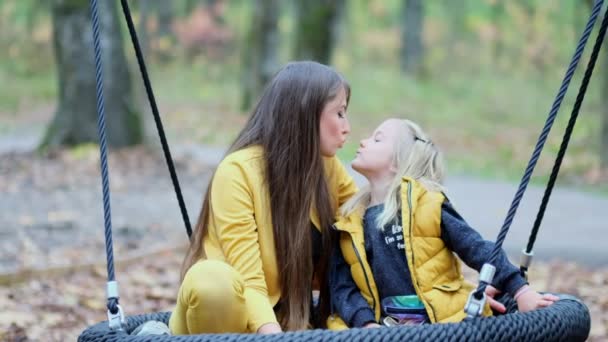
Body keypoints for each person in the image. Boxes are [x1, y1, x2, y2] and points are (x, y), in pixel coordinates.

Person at [169, 61, 358, 335]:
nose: (347, 127)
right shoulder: (237, 171)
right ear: (306, 114)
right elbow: (248, 278)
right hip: (229, 321)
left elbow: (364, 235)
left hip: (289, 323)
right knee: (212, 282)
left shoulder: (328, 169)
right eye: (339, 113)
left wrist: (383, 177)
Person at [327, 118, 559, 329]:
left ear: (398, 162)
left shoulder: (428, 205)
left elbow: (476, 248)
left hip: (440, 325)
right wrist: (366, 325)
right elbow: (342, 287)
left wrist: (520, 290)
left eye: (377, 139)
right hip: (382, 328)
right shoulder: (349, 224)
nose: (363, 141)